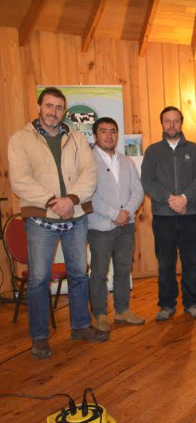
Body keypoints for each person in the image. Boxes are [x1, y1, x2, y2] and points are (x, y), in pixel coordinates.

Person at [8, 87, 106, 359]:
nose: (53, 112)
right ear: (39, 107)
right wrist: (53, 201)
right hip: (41, 217)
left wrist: (71, 199)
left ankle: (81, 326)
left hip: (76, 215)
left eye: (59, 107)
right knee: (39, 279)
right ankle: (39, 337)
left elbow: (90, 172)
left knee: (79, 274)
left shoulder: (77, 138)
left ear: (64, 111)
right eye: (49, 106)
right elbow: (20, 179)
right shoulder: (20, 139)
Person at [141, 106, 196, 321]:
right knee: (165, 263)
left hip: (190, 215)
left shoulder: (195, 150)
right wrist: (170, 198)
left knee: (190, 262)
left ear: (181, 123)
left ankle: (192, 303)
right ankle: (167, 304)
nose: (171, 125)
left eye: (176, 120)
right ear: (162, 123)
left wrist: (185, 198)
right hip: (163, 216)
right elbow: (147, 181)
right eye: (167, 121)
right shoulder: (153, 151)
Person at [88, 117, 145, 332]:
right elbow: (89, 195)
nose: (109, 135)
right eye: (103, 131)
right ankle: (100, 314)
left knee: (123, 270)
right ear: (95, 135)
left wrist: (126, 213)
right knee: (99, 273)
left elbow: (138, 191)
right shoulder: (87, 161)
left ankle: (122, 311)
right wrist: (114, 214)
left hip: (126, 226)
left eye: (113, 131)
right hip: (100, 227)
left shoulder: (126, 161)